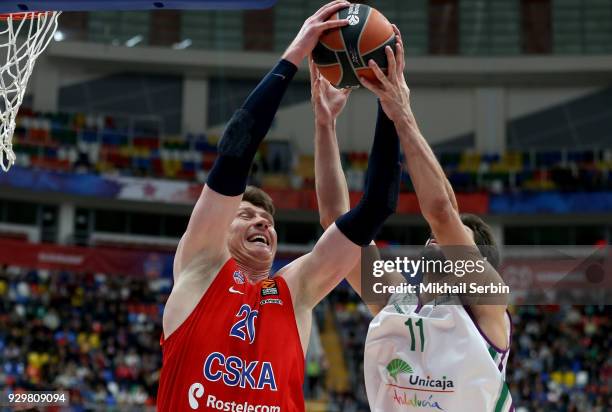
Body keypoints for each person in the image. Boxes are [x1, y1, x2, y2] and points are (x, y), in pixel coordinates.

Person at [156, 1, 402, 411]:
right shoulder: (200, 268)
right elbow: (235, 152)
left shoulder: (296, 290)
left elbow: (375, 206)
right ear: (220, 229)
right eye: (248, 215)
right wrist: (293, 55)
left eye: (268, 221)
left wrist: (388, 96)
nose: (262, 224)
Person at [311, 25, 513, 411]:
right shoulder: (397, 301)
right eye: (434, 239)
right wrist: (325, 125)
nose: (437, 241)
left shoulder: (489, 304)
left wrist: (400, 113)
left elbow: (441, 212)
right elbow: (336, 221)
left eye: (456, 242)